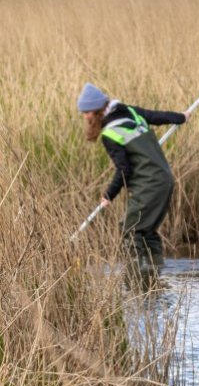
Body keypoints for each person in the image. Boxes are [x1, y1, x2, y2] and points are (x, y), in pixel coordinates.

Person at [76, 82, 190, 265]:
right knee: (146, 231)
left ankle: (136, 278)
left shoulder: (110, 133)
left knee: (130, 230)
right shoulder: (130, 112)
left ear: (97, 110)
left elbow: (124, 169)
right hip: (164, 180)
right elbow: (155, 116)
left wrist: (109, 195)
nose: (85, 116)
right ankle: (154, 273)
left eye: (87, 112)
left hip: (148, 184)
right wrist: (180, 117)